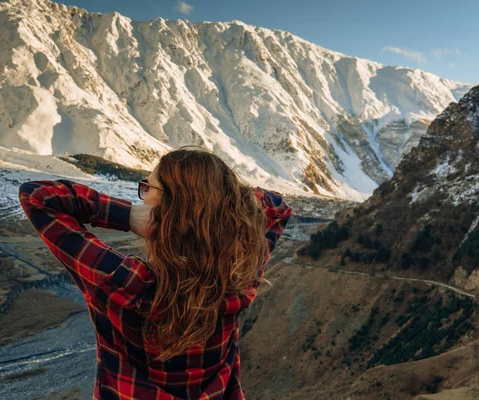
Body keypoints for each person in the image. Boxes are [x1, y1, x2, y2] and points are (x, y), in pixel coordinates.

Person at [18, 145, 293, 400]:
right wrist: (214, 210)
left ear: (169, 208)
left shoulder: (125, 283)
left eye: (148, 187)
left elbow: (37, 197)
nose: (143, 194)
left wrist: (126, 215)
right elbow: (275, 206)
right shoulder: (241, 278)